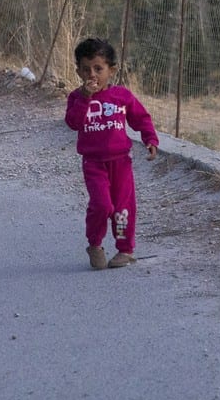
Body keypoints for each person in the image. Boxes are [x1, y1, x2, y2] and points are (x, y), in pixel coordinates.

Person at [65, 37, 159, 270]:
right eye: (86, 69)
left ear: (111, 70)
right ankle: (95, 244)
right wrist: (85, 100)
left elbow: (141, 118)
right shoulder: (76, 98)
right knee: (102, 205)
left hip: (121, 163)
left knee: (123, 209)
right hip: (94, 163)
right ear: (78, 71)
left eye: (98, 69)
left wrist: (150, 139)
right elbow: (73, 123)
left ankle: (125, 249)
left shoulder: (122, 96)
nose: (92, 75)